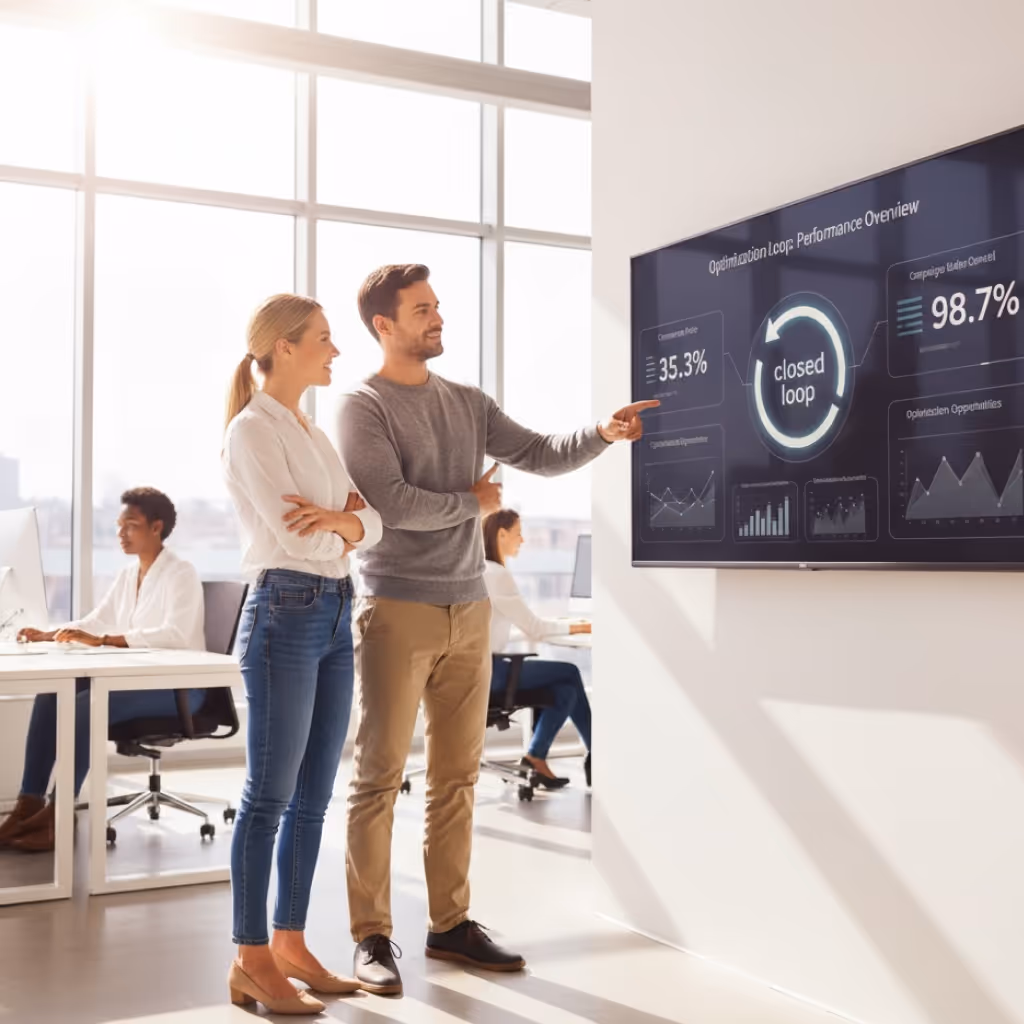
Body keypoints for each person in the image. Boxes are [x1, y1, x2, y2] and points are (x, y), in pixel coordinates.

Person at [337, 263, 657, 995]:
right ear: (385, 326)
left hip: (468, 608)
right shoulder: (362, 405)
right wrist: (474, 503)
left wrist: (603, 433)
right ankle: (371, 936)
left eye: (437, 306)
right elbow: (391, 504)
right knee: (379, 776)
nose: (436, 318)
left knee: (456, 778)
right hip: (396, 607)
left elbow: (541, 453)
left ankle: (450, 924)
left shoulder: (468, 402)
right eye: (422, 310)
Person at [222, 293, 382, 1016]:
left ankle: (290, 942)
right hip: (285, 611)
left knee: (316, 796)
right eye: (323, 338)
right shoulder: (253, 432)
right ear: (283, 347)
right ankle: (251, 956)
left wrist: (346, 523)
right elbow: (294, 539)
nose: (336, 351)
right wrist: (346, 528)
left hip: (335, 608)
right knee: (269, 797)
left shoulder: (312, 434)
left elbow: (371, 520)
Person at [0, 487, 205, 854]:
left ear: (157, 527)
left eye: (131, 525)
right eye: (118, 525)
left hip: (181, 690)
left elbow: (176, 634)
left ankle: (59, 815)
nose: (121, 533)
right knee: (52, 693)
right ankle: (28, 805)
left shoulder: (181, 573)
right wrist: (50, 633)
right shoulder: (129, 575)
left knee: (86, 705)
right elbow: (96, 623)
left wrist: (106, 640)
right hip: (138, 682)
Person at [482, 509, 592, 790]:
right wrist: (577, 627)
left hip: (479, 670)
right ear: (501, 534)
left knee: (565, 691)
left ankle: (536, 757)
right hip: (492, 674)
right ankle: (598, 754)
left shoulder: (482, 571)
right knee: (569, 671)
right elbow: (536, 628)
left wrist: (554, 626)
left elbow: (502, 626)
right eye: (518, 533)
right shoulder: (497, 575)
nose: (523, 540)